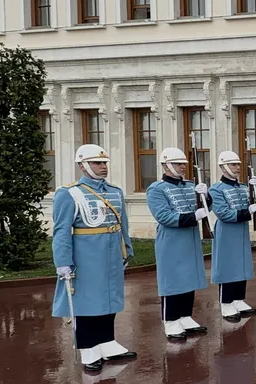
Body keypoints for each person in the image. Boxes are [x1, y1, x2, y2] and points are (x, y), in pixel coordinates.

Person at [52, 144, 136, 372]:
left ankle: (107, 341)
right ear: (82, 165)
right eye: (97, 163)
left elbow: (122, 225)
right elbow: (61, 230)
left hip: (111, 254)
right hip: (86, 255)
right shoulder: (69, 193)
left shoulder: (115, 192)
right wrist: (63, 262)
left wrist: (126, 248)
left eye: (104, 163)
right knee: (87, 302)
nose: (102, 167)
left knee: (110, 298)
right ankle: (88, 348)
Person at [145, 148, 209, 341]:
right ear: (165, 166)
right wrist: (192, 216)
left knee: (189, 277)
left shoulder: (190, 185)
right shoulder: (157, 189)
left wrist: (206, 196)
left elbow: (204, 209)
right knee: (172, 280)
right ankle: (171, 320)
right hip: (171, 239)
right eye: (177, 164)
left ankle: (185, 315)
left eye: (183, 164)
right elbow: (164, 216)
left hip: (189, 237)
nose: (182, 167)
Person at [208, 151, 256, 322]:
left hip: (241, 230)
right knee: (227, 266)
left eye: (238, 164)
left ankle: (238, 298)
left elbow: (255, 205)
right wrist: (247, 212)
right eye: (233, 165)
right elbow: (224, 213)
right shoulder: (216, 189)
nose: (237, 168)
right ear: (223, 167)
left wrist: (255, 190)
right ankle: (226, 302)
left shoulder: (244, 187)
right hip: (227, 231)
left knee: (241, 264)